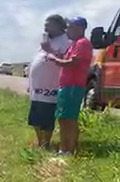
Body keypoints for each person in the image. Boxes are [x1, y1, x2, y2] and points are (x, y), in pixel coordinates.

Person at [47, 16, 93, 156]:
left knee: (69, 119)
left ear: (80, 28)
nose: (67, 30)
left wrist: (54, 60)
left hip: (73, 86)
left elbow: (72, 63)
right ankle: (64, 148)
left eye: (70, 27)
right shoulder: (74, 44)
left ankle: (69, 149)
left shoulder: (82, 43)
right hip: (66, 86)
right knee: (63, 118)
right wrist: (53, 53)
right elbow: (65, 58)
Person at [27, 15, 71, 149]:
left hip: (50, 87)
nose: (45, 28)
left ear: (59, 26)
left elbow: (65, 60)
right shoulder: (47, 41)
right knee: (35, 118)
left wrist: (49, 50)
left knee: (46, 117)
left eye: (48, 25)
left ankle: (46, 143)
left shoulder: (66, 42)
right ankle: (40, 141)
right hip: (37, 87)